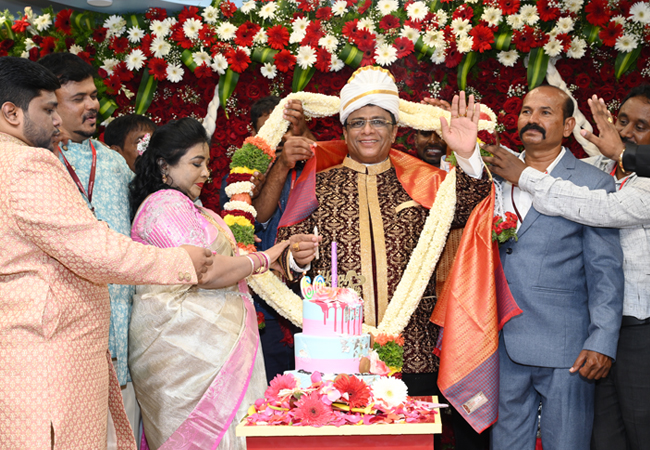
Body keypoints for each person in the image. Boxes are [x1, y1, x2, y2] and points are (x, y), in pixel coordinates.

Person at [0, 57, 213, 450]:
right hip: (49, 360)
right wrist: (181, 261)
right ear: (11, 113)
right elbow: (94, 251)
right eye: (49, 110)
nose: (57, 121)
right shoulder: (27, 163)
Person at [275, 66, 491, 398]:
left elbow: (470, 207)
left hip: (414, 351)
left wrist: (466, 154)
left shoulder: (423, 182)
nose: (368, 131)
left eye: (378, 122)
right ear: (345, 133)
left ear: (394, 132)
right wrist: (297, 260)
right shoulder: (318, 185)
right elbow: (282, 257)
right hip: (337, 355)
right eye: (357, 122)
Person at [127, 117, 313, 450]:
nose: (206, 173)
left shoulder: (194, 209)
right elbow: (207, 272)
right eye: (196, 163)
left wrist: (283, 257)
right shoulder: (163, 207)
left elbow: (231, 266)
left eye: (207, 163)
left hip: (215, 352)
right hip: (190, 360)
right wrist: (268, 256)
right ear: (163, 165)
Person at [485, 88, 650, 450]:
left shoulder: (593, 183)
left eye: (546, 112)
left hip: (567, 346)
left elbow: (606, 271)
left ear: (568, 126)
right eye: (527, 111)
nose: (533, 119)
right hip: (500, 340)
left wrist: (601, 340)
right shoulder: (493, 174)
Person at [38, 52, 142, 438]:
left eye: (93, 95)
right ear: (48, 103)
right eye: (78, 98)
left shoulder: (113, 162)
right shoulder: (35, 163)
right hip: (66, 344)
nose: (93, 105)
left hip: (125, 338)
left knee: (123, 437)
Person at [220, 95, 317, 382]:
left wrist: (305, 139)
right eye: (271, 133)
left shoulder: (318, 167)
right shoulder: (242, 175)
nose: (281, 141)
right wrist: (281, 165)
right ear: (254, 135)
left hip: (314, 300)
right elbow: (258, 218)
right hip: (268, 307)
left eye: (288, 132)